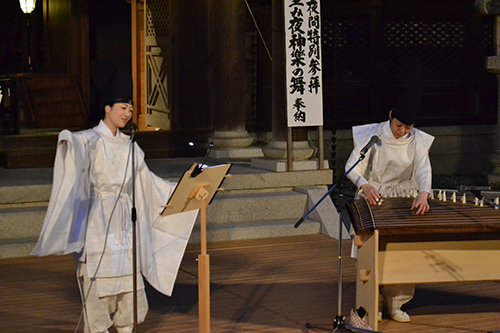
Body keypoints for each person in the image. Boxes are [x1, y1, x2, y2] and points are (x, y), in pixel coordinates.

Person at [31, 67, 198, 333]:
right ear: (107, 108)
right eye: (122, 108)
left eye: (130, 110)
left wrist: (185, 190)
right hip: (97, 223)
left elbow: (148, 184)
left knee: (129, 300)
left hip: (124, 225)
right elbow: (73, 143)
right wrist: (67, 142)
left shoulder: (131, 146)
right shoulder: (89, 139)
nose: (127, 114)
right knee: (99, 300)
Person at [345, 63, 434, 323]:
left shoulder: (416, 140)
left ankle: (397, 302)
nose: (401, 131)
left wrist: (423, 194)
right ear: (391, 115)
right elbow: (351, 166)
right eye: (398, 125)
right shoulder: (372, 135)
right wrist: (365, 184)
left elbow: (423, 170)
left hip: (403, 199)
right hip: (374, 196)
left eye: (407, 127)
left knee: (402, 253)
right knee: (372, 250)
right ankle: (373, 301)